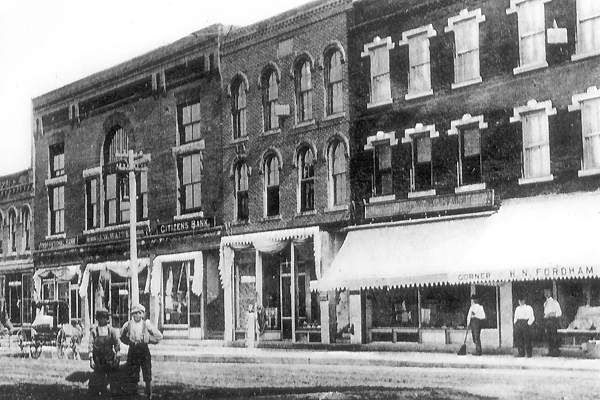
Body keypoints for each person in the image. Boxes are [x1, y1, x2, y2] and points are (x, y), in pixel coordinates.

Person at [120, 303, 162, 399]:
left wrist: (149, 340)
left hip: (144, 350)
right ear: (132, 315)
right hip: (133, 351)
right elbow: (121, 336)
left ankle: (148, 393)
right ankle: (133, 392)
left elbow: (159, 336)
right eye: (135, 313)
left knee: (147, 372)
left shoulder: (146, 324)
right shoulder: (128, 324)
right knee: (132, 372)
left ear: (143, 314)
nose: (137, 315)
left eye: (139, 313)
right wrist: (129, 342)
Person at [88, 307, 120, 397]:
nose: (102, 320)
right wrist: (91, 358)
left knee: (113, 377)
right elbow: (90, 344)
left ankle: (113, 394)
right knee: (98, 377)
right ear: (97, 319)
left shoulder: (111, 330)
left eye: (104, 318)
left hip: (109, 357)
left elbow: (116, 343)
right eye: (100, 318)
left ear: (107, 319)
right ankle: (99, 393)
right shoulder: (94, 331)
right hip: (98, 358)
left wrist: (118, 355)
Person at [543, 288, 562, 356]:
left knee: (554, 336)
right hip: (547, 322)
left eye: (548, 292)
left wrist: (550, 314)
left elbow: (559, 313)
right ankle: (550, 350)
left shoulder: (555, 303)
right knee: (548, 336)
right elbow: (545, 313)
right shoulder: (545, 303)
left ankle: (556, 351)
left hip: (554, 321)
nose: (546, 294)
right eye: (545, 292)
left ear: (550, 293)